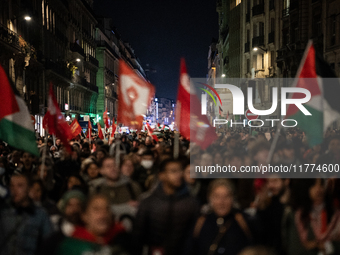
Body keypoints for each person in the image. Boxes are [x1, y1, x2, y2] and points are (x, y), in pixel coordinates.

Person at [133, 158, 199, 255]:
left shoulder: (191, 203)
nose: (178, 175)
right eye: (173, 171)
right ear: (162, 175)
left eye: (180, 171)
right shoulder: (149, 203)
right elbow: (138, 236)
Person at [40, 194, 129, 255]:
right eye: (96, 209)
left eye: (107, 209)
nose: (103, 214)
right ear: (84, 216)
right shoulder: (63, 243)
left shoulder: (123, 242)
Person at [193, 179, 254, 255]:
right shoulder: (200, 223)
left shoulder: (244, 221)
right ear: (210, 199)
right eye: (217, 197)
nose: (221, 202)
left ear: (233, 198)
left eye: (226, 196)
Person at [0, 174, 53, 255]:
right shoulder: (4, 211)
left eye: (20, 186)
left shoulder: (40, 215)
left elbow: (48, 244)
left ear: (29, 188)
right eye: (12, 186)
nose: (15, 190)